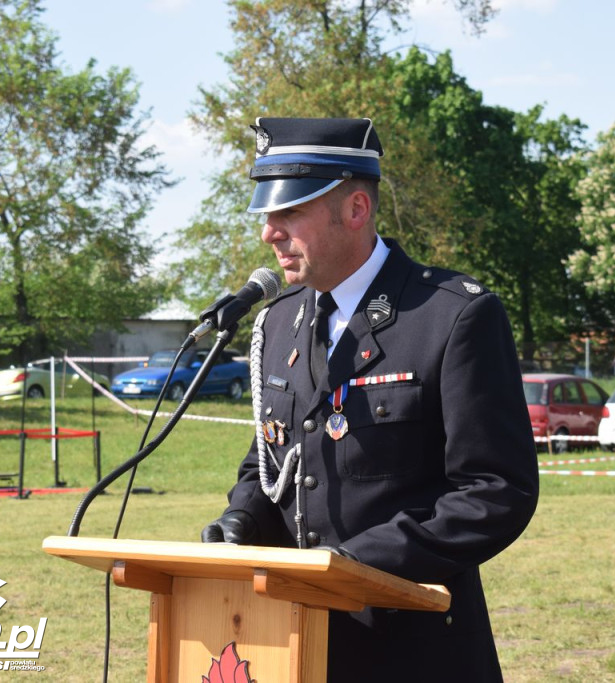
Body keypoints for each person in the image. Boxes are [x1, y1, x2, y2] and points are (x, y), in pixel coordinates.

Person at [200, 117, 539, 682]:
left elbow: (496, 491)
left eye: (289, 212)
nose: (269, 233)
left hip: (411, 648)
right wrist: (242, 518)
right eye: (267, 214)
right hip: (288, 638)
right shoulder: (278, 321)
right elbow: (270, 461)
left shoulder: (451, 315)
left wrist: (357, 566)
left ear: (356, 210)